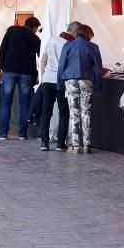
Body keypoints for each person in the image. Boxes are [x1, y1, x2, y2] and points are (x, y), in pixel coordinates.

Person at [58, 26, 102, 154]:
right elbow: (98, 68)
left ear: (76, 33)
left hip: (70, 80)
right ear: (88, 34)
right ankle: (87, 145)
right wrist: (99, 84)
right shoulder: (94, 47)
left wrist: (60, 83)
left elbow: (62, 65)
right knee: (86, 112)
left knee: (74, 113)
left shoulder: (68, 45)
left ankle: (76, 146)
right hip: (87, 80)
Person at [0, 16, 41, 140]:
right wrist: (34, 76)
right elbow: (39, 57)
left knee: (6, 103)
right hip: (26, 73)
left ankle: (3, 133)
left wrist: (3, 67)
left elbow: (2, 48)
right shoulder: (35, 38)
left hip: (9, 70)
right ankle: (23, 134)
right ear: (35, 27)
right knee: (25, 104)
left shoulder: (11, 31)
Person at [39, 21, 81, 151]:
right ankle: (60, 143)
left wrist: (43, 77)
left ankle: (44, 143)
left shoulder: (51, 40)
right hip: (61, 81)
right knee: (64, 112)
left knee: (46, 112)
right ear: (74, 32)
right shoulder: (70, 44)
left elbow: (43, 61)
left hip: (47, 80)